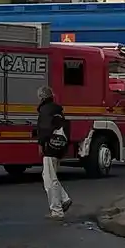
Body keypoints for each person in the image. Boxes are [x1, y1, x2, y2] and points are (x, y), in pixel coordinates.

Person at [35, 85, 72, 218]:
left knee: (50, 180)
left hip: (49, 147)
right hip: (59, 146)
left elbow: (44, 130)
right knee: (49, 176)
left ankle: (57, 210)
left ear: (41, 97)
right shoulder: (57, 110)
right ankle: (64, 199)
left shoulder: (45, 110)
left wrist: (40, 145)